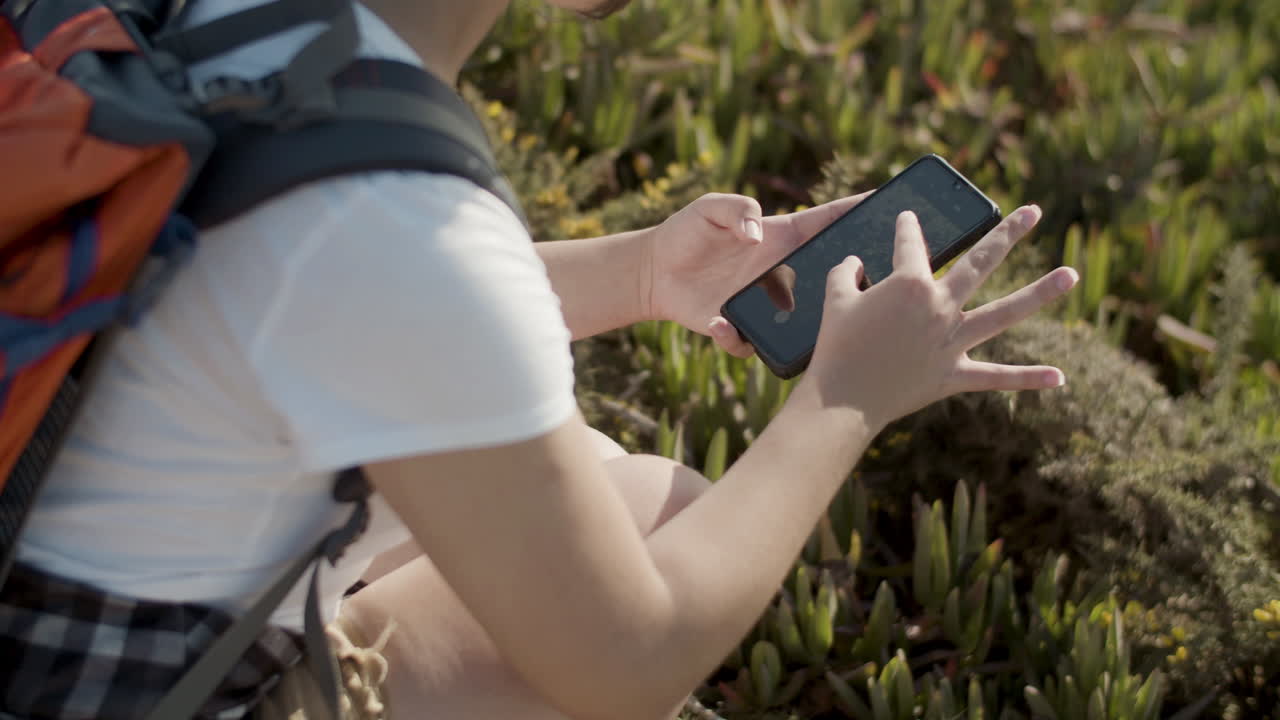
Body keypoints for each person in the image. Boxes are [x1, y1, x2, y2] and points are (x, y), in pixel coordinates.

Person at [1, 0, 1079, 718]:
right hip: (106, 692)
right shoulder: (398, 219)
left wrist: (647, 275)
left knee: (635, 491)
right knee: (638, 565)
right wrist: (845, 398)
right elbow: (624, 657)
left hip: (41, 566)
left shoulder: (231, 26)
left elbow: (290, 279)